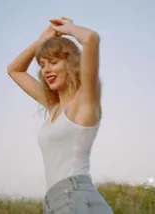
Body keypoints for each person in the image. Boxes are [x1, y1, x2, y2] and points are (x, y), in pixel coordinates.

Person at [7, 17, 113, 214]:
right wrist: (42, 40)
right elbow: (15, 71)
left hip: (76, 197)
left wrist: (69, 29)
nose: (46, 70)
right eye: (42, 64)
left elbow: (91, 38)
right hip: (54, 202)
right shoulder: (55, 107)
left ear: (72, 63)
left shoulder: (84, 103)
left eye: (54, 62)